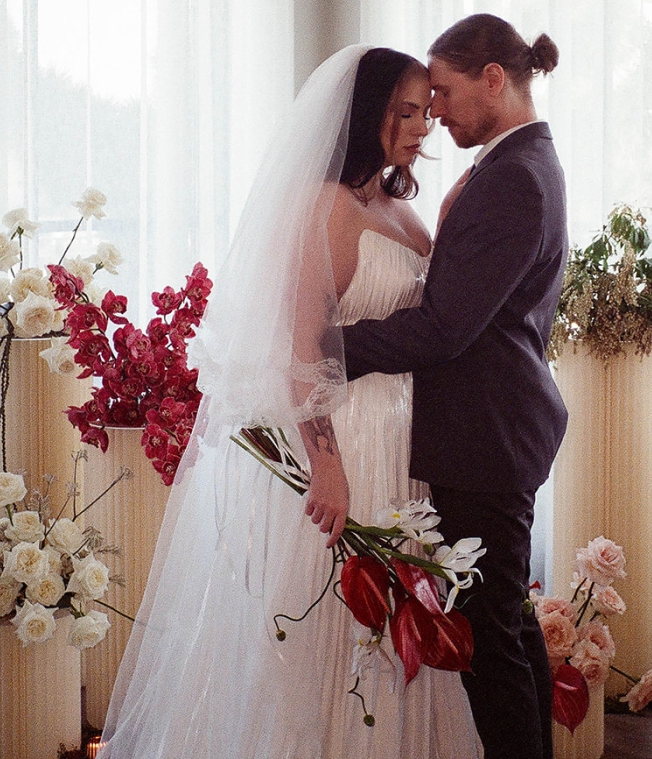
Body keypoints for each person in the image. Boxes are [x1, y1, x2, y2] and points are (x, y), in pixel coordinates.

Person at [100, 45, 483, 759]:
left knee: (399, 617)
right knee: (335, 620)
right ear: (365, 115)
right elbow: (303, 347)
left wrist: (459, 206)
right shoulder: (327, 208)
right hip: (352, 438)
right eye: (403, 112)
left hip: (405, 445)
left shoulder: (399, 207)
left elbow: (438, 301)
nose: (420, 126)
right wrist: (325, 463)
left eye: (423, 111)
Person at [342, 14, 568, 759]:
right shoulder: (521, 164)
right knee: (504, 622)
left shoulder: (512, 178)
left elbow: (443, 329)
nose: (433, 110)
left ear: (493, 80)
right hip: (492, 426)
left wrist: (330, 345)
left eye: (441, 91)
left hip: (486, 434)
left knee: (487, 640)